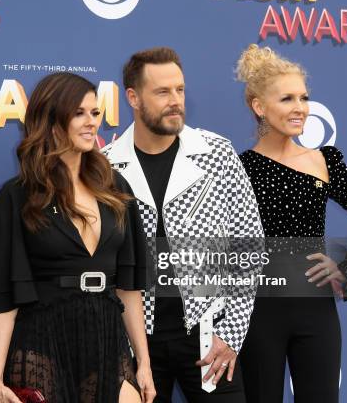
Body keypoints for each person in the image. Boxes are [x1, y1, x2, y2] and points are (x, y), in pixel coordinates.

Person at [0, 72, 156, 403]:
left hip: (106, 337)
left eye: (95, 112)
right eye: (79, 113)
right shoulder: (19, 196)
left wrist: (143, 363)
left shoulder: (116, 189)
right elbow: (6, 296)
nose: (91, 123)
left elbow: (129, 289)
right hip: (42, 340)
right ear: (52, 120)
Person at [102, 47, 264, 402]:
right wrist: (118, 349)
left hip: (208, 337)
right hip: (134, 344)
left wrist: (232, 333)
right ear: (133, 97)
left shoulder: (217, 153)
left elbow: (248, 245)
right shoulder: (105, 166)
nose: (175, 100)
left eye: (180, 90)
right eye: (162, 92)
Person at [236, 44, 347, 403]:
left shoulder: (324, 160)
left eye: (303, 97)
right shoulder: (240, 168)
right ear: (259, 106)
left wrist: (346, 269)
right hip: (259, 309)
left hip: (315, 309)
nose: (300, 107)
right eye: (287, 98)